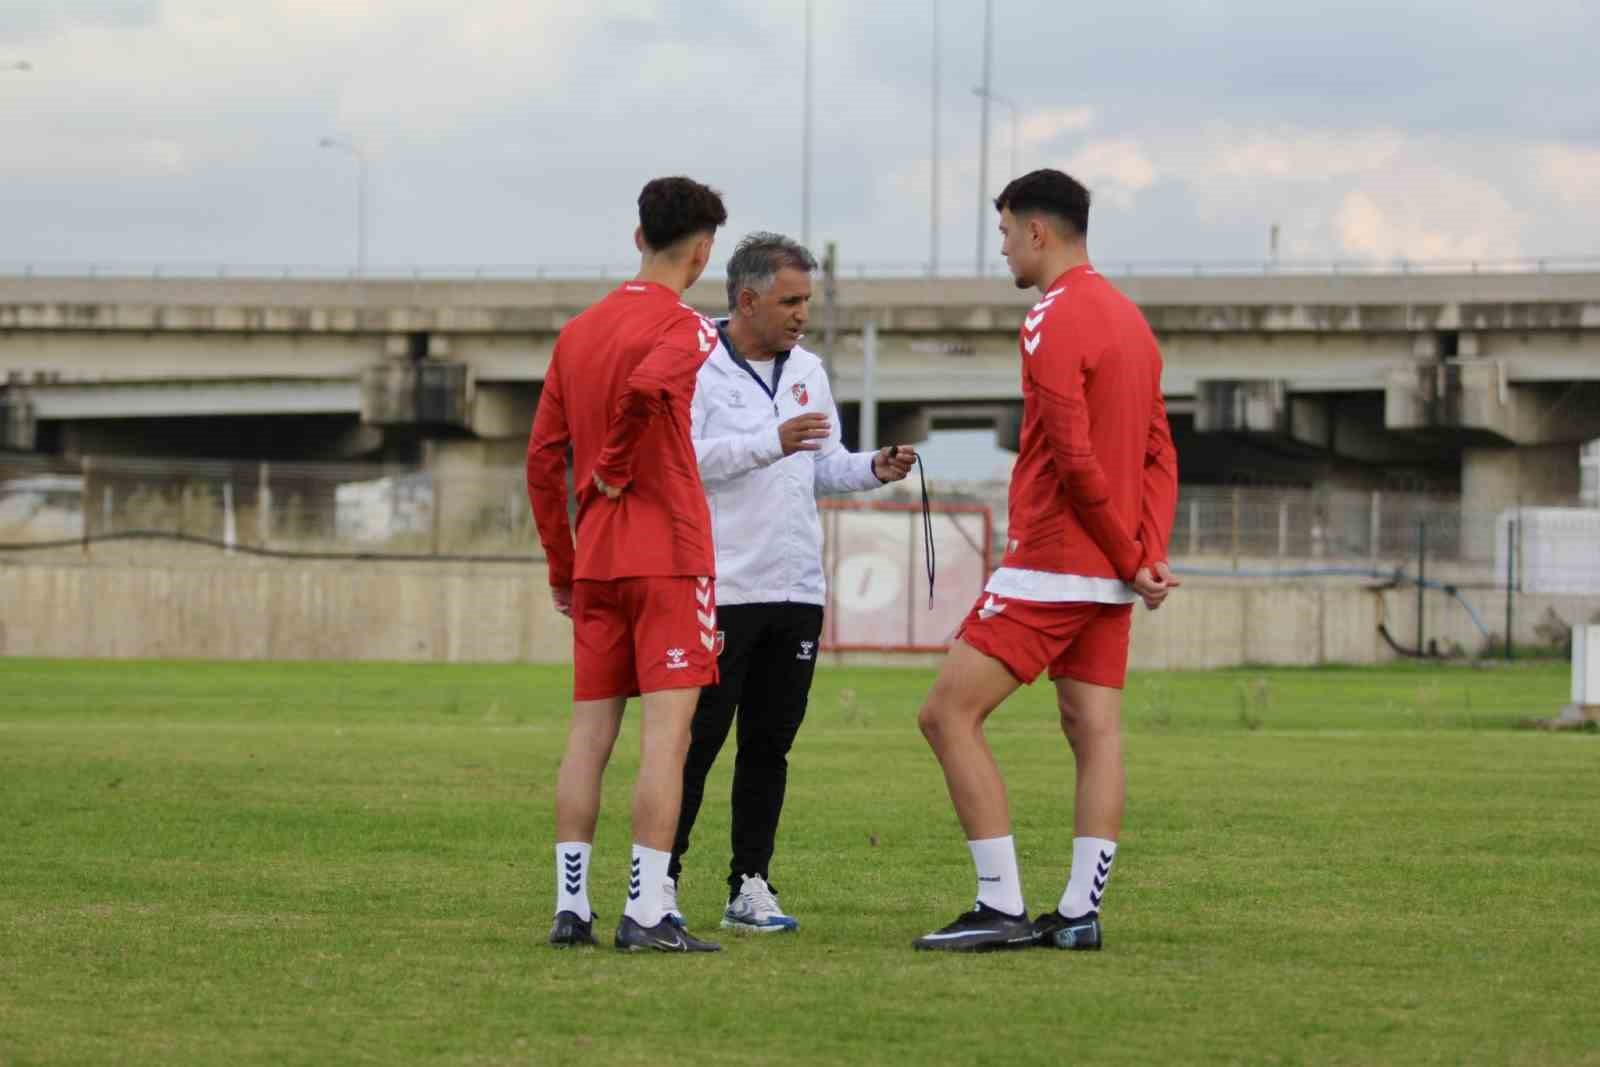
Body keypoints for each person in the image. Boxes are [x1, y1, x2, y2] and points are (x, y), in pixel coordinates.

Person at [911, 169, 1180, 953]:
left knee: (946, 713)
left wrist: (1132, 554)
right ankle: (1078, 909)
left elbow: (1071, 455)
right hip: (1108, 575)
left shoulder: (1049, 318)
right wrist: (1145, 554)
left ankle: (1000, 904)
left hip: (1055, 561)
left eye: (1003, 233)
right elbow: (1161, 451)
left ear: (1038, 232)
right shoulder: (1133, 322)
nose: (1001, 249)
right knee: (1093, 727)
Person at [666, 231, 917, 933]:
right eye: (791, 300)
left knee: (769, 744)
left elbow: (822, 463)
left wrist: (873, 468)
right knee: (698, 741)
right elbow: (685, 459)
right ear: (747, 300)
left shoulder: (809, 368)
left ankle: (750, 882)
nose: (803, 313)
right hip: (723, 589)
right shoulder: (697, 364)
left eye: (807, 299)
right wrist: (767, 441)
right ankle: (662, 878)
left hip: (797, 589)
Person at [526, 175, 729, 953]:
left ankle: (570, 906)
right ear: (703, 252)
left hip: (599, 563)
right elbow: (648, 389)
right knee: (666, 738)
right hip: (671, 556)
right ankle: (646, 911)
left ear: (637, 238)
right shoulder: (689, 329)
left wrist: (561, 564)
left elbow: (543, 459)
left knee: (589, 737)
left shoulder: (576, 334)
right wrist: (613, 461)